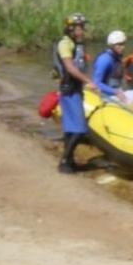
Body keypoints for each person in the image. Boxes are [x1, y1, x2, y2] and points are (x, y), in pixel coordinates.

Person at [53, 13, 94, 173]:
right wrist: (88, 81)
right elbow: (70, 67)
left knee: (71, 128)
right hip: (69, 90)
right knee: (78, 129)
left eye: (83, 27)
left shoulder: (75, 43)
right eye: (80, 27)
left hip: (74, 88)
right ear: (71, 28)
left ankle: (69, 162)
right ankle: (64, 161)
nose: (82, 30)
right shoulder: (65, 44)